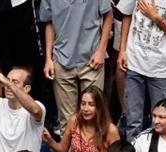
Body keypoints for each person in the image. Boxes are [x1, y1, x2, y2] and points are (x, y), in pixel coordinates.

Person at [118, 0, 166, 142]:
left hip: (160, 69)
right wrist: (122, 50)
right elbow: (126, 14)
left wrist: (156, 18)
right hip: (134, 63)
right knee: (133, 121)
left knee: (162, 122)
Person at [40, 0, 112, 128]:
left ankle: (94, 148)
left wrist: (101, 50)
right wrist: (48, 58)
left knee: (94, 116)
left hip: (92, 59)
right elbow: (49, 23)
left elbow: (108, 14)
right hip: (61, 58)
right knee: (67, 122)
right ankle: (69, 149)